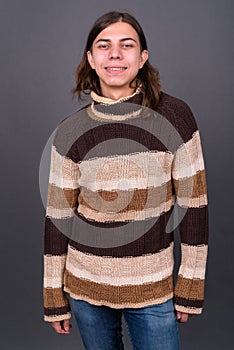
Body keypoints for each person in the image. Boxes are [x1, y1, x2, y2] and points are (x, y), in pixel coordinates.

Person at [43, 11, 209, 350]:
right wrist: (52, 295)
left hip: (152, 288)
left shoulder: (175, 116)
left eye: (127, 45)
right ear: (90, 59)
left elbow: (194, 205)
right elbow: (58, 217)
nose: (115, 54)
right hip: (86, 288)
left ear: (143, 57)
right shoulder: (70, 131)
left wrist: (190, 284)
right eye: (103, 45)